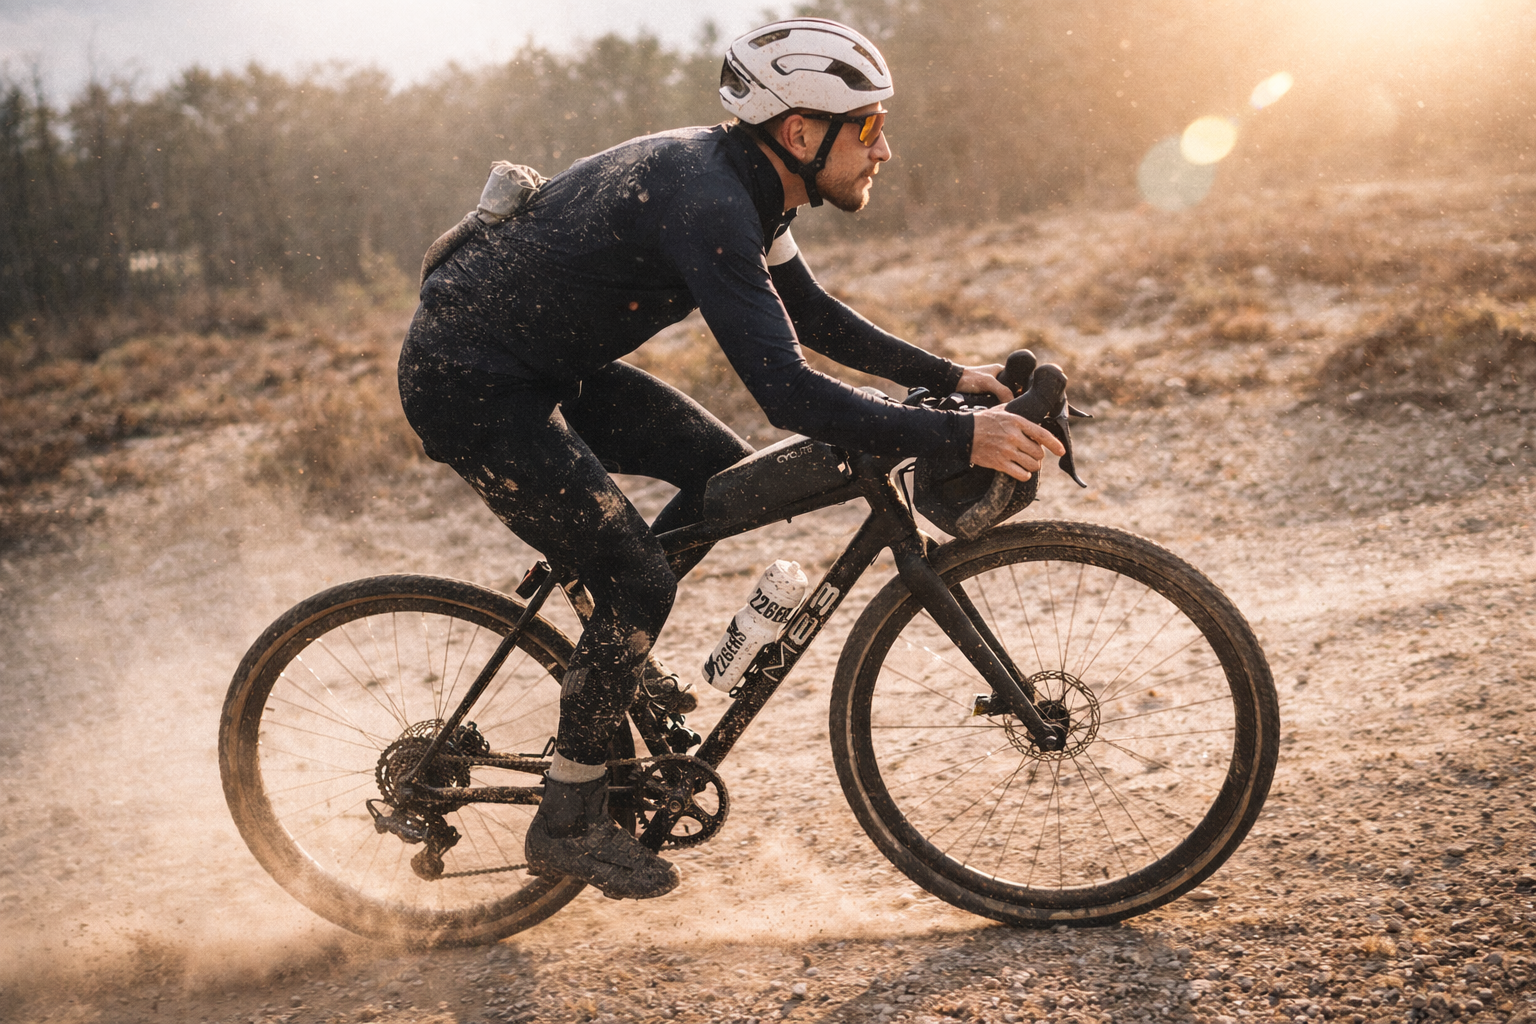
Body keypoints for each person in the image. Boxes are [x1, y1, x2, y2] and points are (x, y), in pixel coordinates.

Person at [397, 18, 1063, 900]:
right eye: (868, 128)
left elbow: (815, 318)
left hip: (539, 362)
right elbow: (789, 391)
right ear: (801, 132)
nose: (884, 150)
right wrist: (954, 436)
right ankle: (568, 816)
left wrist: (949, 377)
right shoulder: (710, 200)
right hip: (469, 381)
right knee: (640, 580)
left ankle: (613, 662)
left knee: (722, 478)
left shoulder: (752, 184)